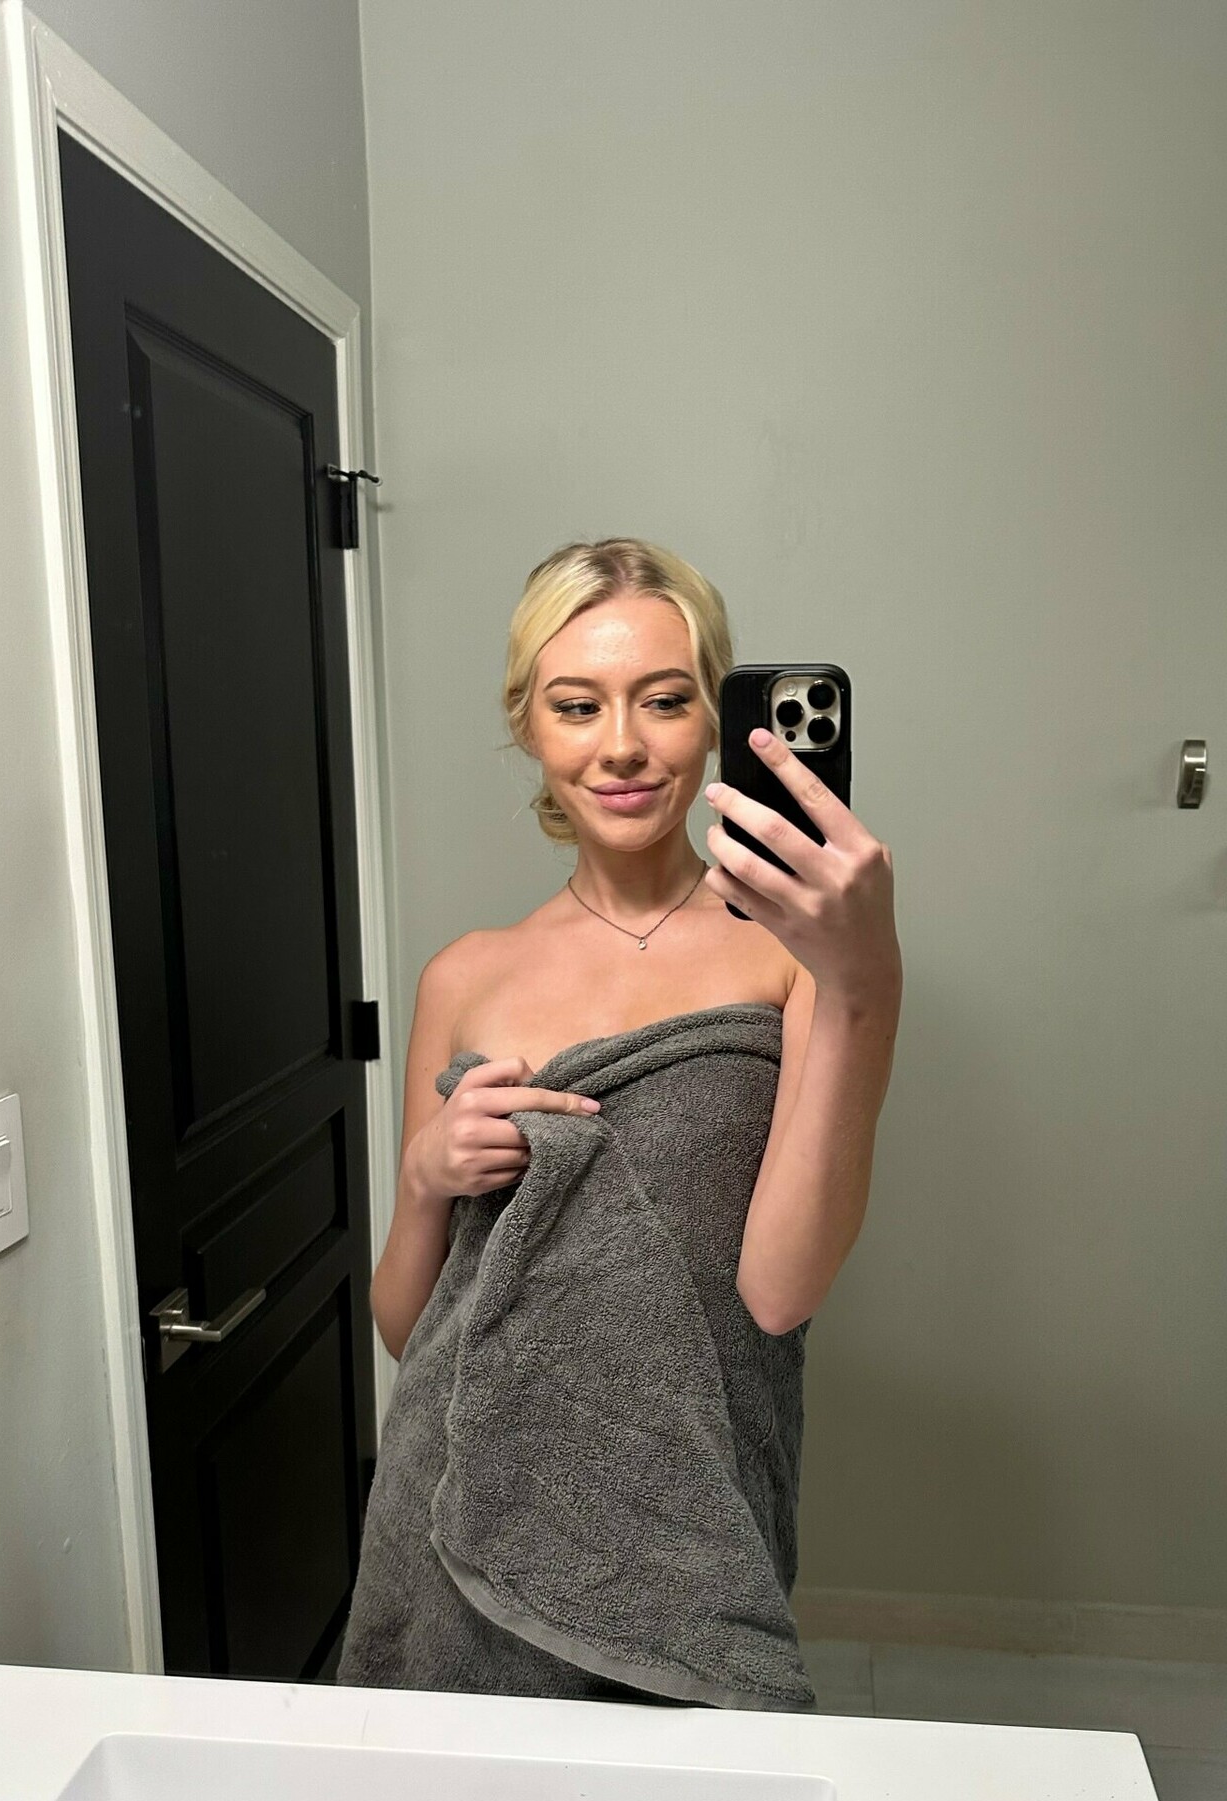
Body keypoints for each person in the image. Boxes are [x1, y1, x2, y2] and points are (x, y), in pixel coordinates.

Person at [340, 537, 901, 1706]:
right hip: (456, 1508)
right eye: (576, 705)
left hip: (689, 1513)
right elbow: (406, 1329)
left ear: (717, 719)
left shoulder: (797, 954)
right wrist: (425, 1179)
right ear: (528, 726)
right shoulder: (463, 975)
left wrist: (863, 982)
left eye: (664, 700)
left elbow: (780, 1291)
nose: (622, 745)